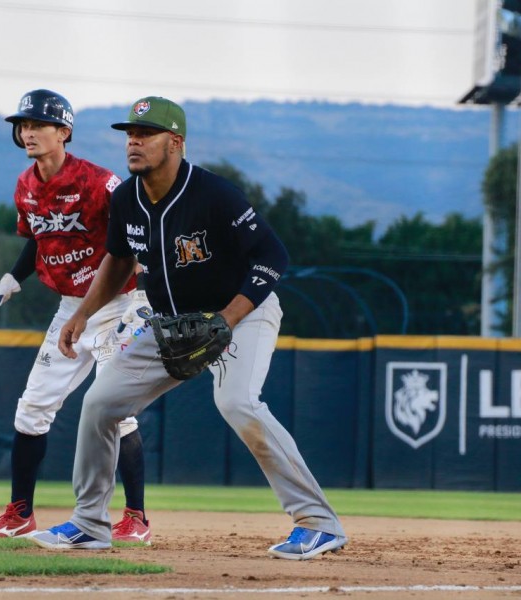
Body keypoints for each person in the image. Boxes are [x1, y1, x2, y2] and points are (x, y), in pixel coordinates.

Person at [30, 96, 348, 559]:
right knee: (100, 404)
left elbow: (272, 256)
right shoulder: (125, 199)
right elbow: (118, 260)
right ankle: (90, 523)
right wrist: (82, 313)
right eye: (130, 134)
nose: (133, 142)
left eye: (146, 134)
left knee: (238, 402)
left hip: (241, 312)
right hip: (168, 324)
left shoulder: (214, 194)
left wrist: (228, 319)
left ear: (175, 142)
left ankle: (318, 523)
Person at [0, 89, 151, 544]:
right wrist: (11, 280)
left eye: (38, 124)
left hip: (119, 304)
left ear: (64, 132)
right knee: (32, 408)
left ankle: (135, 517)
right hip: (70, 308)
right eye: (23, 125)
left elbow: (133, 234)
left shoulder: (99, 182)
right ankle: (19, 513)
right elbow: (36, 238)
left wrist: (150, 273)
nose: (28, 131)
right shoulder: (25, 185)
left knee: (117, 412)